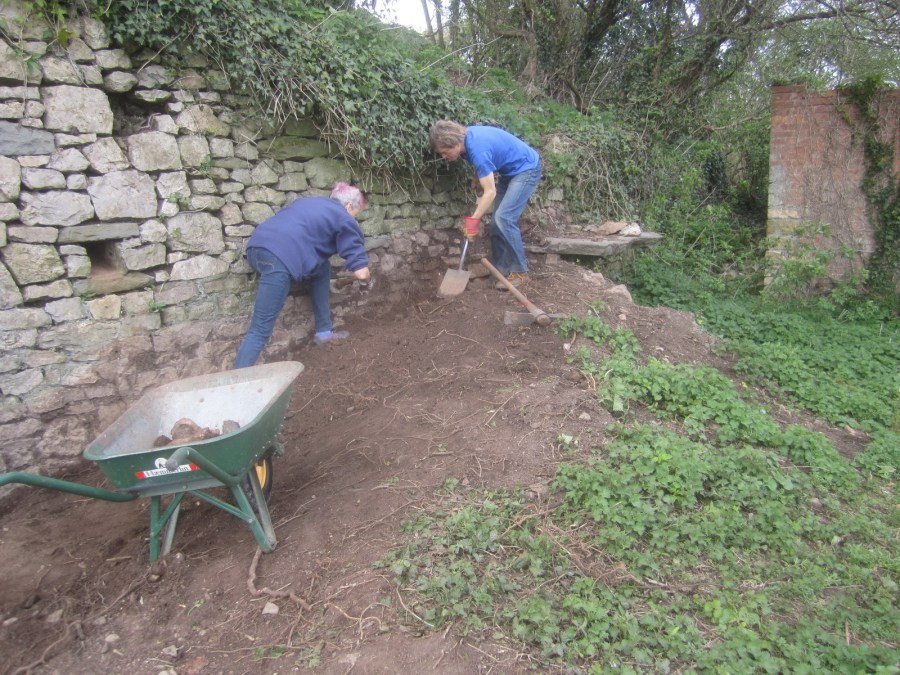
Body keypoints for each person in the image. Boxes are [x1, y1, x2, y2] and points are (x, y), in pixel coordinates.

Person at [233, 182, 370, 368]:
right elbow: (361, 273)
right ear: (348, 206)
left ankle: (324, 332)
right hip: (279, 259)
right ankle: (236, 380)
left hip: (255, 250)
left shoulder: (307, 202)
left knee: (322, 268)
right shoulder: (343, 217)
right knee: (259, 330)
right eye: (356, 213)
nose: (354, 218)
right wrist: (366, 277)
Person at [429, 120, 542, 288]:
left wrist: (473, 221)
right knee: (497, 223)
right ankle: (501, 270)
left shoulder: (477, 148)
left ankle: (520, 271)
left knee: (505, 218)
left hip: (527, 169)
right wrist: (478, 183)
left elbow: (490, 192)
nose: (443, 157)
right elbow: (482, 168)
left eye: (445, 152)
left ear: (455, 143)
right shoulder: (466, 141)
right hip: (509, 173)